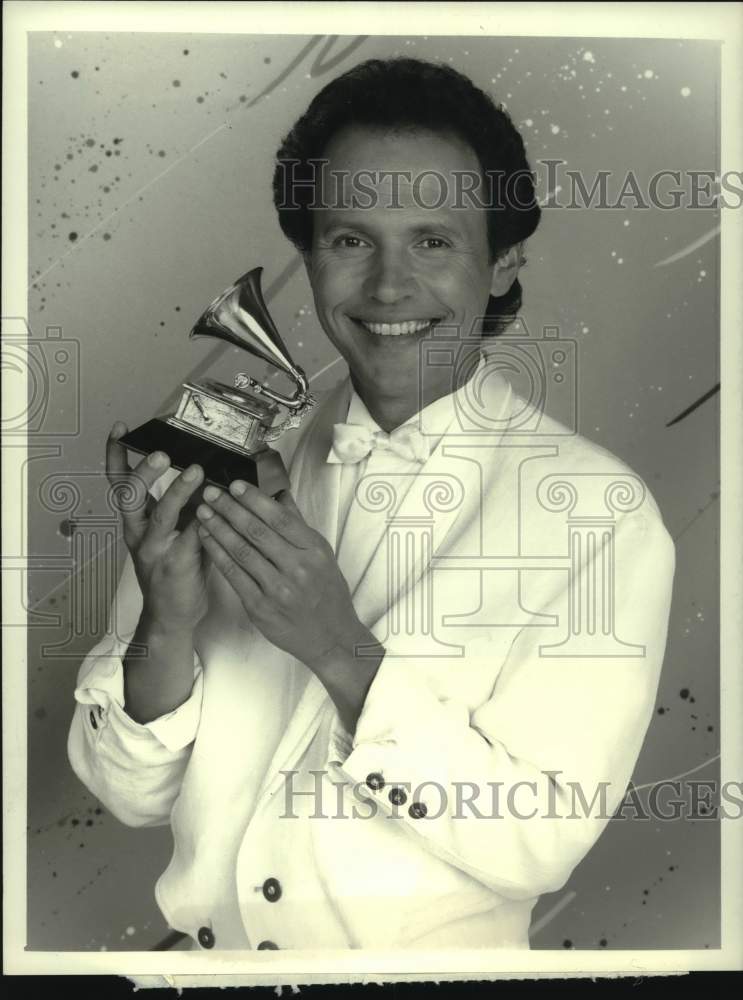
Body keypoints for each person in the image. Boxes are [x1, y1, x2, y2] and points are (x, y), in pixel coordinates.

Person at [67, 58, 676, 951]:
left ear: (502, 262)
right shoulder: (229, 472)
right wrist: (164, 622)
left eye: (433, 241)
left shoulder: (601, 512)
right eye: (351, 240)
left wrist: (338, 648)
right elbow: (128, 796)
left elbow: (541, 839)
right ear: (310, 256)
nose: (388, 287)